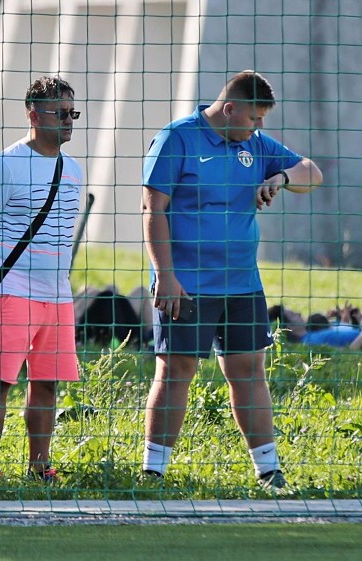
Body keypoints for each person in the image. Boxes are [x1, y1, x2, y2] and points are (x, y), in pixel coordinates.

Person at [140, 70, 324, 490]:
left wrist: (280, 177)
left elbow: (311, 173)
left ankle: (269, 470)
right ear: (230, 109)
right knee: (176, 370)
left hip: (242, 283)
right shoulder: (177, 138)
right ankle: (153, 472)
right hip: (186, 283)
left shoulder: (257, 145)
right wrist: (166, 276)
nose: (259, 128)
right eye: (253, 119)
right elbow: (153, 210)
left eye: (262, 121)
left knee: (247, 370)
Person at [0, 75, 84, 481]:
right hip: (12, 291)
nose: (68, 121)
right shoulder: (5, 164)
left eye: (72, 113)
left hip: (58, 296)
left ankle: (39, 465)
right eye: (59, 113)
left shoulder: (73, 169)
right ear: (33, 114)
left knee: (47, 383)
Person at [73, 285, 153, 348]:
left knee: (107, 290)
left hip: (88, 328)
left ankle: (150, 336)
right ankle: (151, 336)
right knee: (109, 290)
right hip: (121, 331)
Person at [268, 304, 362, 349]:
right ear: (290, 327)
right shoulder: (313, 339)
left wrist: (344, 319)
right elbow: (348, 350)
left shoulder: (314, 332)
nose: (299, 313)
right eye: (294, 314)